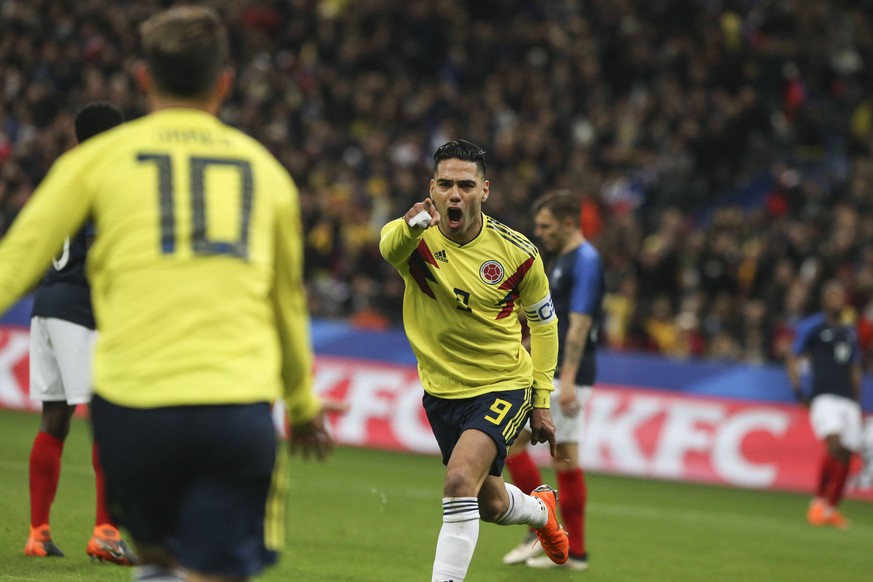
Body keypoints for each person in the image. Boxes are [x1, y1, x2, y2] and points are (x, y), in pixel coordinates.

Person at [0, 6, 332, 582]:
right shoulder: (268, 173)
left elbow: (12, 268)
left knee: (155, 560)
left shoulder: (93, 161)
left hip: (135, 406)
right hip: (235, 402)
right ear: (225, 83)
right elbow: (286, 302)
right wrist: (302, 405)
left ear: (144, 78)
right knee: (212, 568)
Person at [379, 139, 569, 582]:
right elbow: (388, 248)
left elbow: (544, 325)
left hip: (502, 382)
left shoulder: (518, 255)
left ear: (485, 191)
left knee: (458, 479)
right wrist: (408, 226)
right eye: (445, 184)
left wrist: (541, 400)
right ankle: (541, 510)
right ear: (432, 187)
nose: (454, 194)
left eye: (466, 184)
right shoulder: (415, 237)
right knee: (491, 503)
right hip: (442, 392)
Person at [23, 102, 137, 565]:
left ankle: (37, 532)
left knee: (55, 418)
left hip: (45, 308)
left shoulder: (63, 175)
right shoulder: (103, 177)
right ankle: (106, 532)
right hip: (80, 310)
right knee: (113, 421)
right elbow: (96, 248)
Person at [502, 190, 604, 570]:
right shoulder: (566, 261)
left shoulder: (586, 262)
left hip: (567, 374)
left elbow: (579, 324)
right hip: (561, 370)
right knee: (564, 458)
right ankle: (570, 548)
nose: (539, 232)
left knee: (518, 445)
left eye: (545, 226)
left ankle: (545, 529)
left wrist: (570, 379)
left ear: (567, 223)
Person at [786, 279, 863, 528]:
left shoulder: (850, 331)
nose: (837, 299)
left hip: (847, 400)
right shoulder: (813, 326)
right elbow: (793, 357)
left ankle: (831, 508)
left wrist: (857, 400)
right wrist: (799, 391)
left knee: (848, 453)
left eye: (841, 295)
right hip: (824, 395)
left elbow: (855, 368)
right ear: (824, 300)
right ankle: (818, 503)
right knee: (835, 444)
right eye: (832, 295)